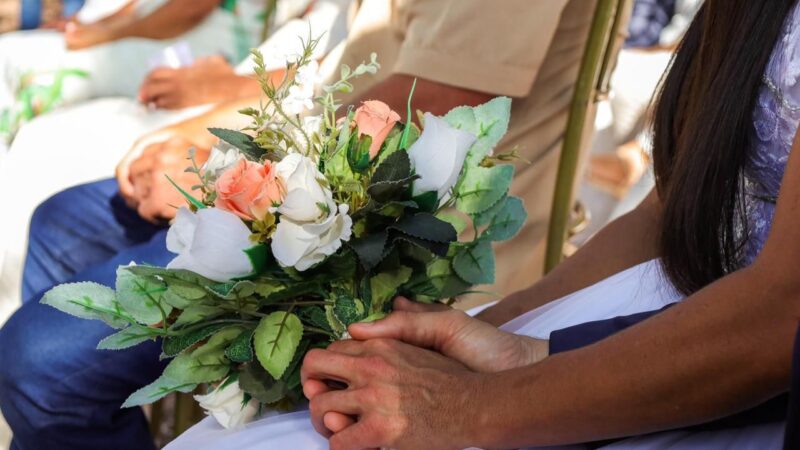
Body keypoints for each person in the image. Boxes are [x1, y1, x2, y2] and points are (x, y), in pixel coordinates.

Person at [162, 0, 799, 448]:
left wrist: (470, 405)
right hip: (656, 297)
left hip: (736, 357)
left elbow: (782, 315)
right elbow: (672, 207)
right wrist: (502, 328)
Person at [0, 0, 612, 448]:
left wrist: (226, 166)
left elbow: (429, 100)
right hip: (310, 186)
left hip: (397, 237)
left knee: (41, 364)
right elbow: (346, 69)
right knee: (66, 220)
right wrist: (211, 122)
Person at [0, 0, 349, 328]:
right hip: (253, 88)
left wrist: (206, 105)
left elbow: (333, 83)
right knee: (44, 157)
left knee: (42, 152)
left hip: (263, 104)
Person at [0, 0, 267, 143]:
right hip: (155, 33)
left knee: (12, 58)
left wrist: (106, 34)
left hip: (192, 50)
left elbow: (191, 9)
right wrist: (89, 26)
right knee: (10, 52)